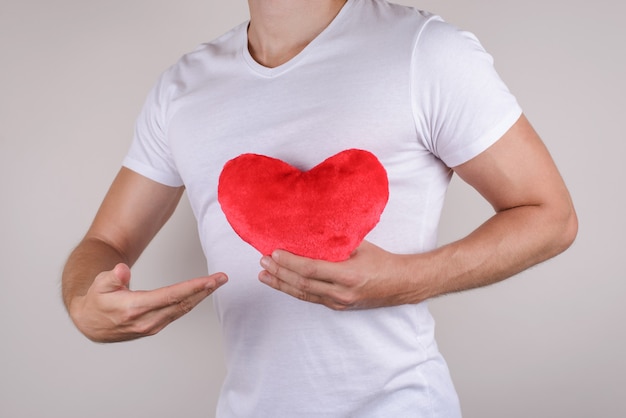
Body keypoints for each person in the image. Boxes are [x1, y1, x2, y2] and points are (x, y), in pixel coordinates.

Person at [62, 0, 578, 416]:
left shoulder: (424, 52)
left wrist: (406, 280)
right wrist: (85, 305)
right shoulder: (181, 88)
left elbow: (549, 215)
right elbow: (105, 241)